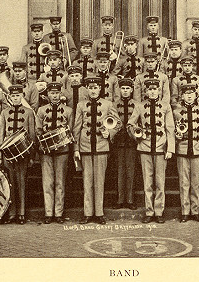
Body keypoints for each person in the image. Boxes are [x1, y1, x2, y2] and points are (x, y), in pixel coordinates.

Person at [73, 76, 121, 225]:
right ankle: (88, 213)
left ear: (100, 88)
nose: (93, 90)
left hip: (101, 146)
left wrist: (110, 133)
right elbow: (76, 128)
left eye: (95, 88)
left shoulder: (107, 104)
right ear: (87, 89)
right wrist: (76, 148)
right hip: (85, 146)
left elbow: (118, 123)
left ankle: (99, 213)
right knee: (87, 182)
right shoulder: (81, 105)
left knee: (99, 181)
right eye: (90, 88)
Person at [127, 79, 175, 224]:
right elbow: (130, 124)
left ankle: (159, 211)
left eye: (155, 89)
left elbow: (170, 129)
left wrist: (170, 148)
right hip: (145, 148)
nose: (153, 92)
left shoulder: (166, 106)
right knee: (147, 182)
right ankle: (149, 211)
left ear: (159, 91)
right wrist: (137, 134)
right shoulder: (140, 107)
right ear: (146, 92)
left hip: (161, 148)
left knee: (160, 182)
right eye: (150, 90)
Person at [36, 82, 74, 224]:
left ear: (60, 94)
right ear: (47, 95)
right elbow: (38, 130)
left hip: (62, 151)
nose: (55, 96)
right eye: (52, 93)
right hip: (46, 151)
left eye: (57, 93)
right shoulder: (41, 110)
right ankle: (48, 213)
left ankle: (58, 213)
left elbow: (71, 130)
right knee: (47, 182)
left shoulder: (68, 111)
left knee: (60, 182)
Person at [0, 84, 35, 224]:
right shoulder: (5, 113)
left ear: (22, 96)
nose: (15, 98)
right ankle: (12, 213)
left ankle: (22, 213)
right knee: (10, 183)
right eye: (13, 96)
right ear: (10, 97)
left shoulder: (29, 113)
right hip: (8, 153)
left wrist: (31, 156)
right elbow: (0, 135)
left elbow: (32, 135)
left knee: (21, 182)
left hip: (23, 152)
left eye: (18, 96)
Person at [173, 83, 199, 223]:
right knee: (184, 183)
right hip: (182, 151)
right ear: (182, 96)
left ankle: (195, 211)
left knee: (195, 183)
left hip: (196, 150)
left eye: (191, 93)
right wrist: (177, 137)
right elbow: (173, 132)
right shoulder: (176, 112)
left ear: (196, 95)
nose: (189, 96)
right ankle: (185, 212)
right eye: (186, 94)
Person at [112, 78, 139, 210]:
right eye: (123, 88)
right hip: (118, 142)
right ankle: (119, 199)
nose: (125, 91)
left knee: (131, 171)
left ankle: (130, 200)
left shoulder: (137, 105)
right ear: (119, 89)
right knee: (119, 171)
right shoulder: (114, 104)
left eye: (128, 88)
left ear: (132, 90)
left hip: (132, 142)